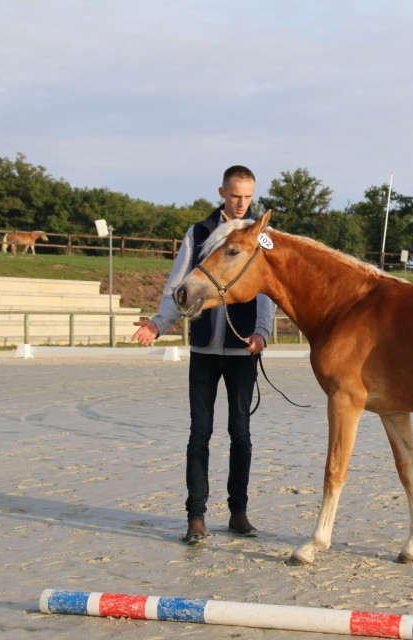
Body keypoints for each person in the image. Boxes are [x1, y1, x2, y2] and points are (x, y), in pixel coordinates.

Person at [132, 165, 275, 545]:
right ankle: (196, 517)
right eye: (235, 196)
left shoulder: (260, 235)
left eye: (248, 196)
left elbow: (267, 290)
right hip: (203, 351)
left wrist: (261, 333)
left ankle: (239, 513)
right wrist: (158, 325)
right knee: (200, 433)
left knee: (240, 434)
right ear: (222, 193)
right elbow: (176, 285)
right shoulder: (198, 233)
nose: (242, 203)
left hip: (243, 350)